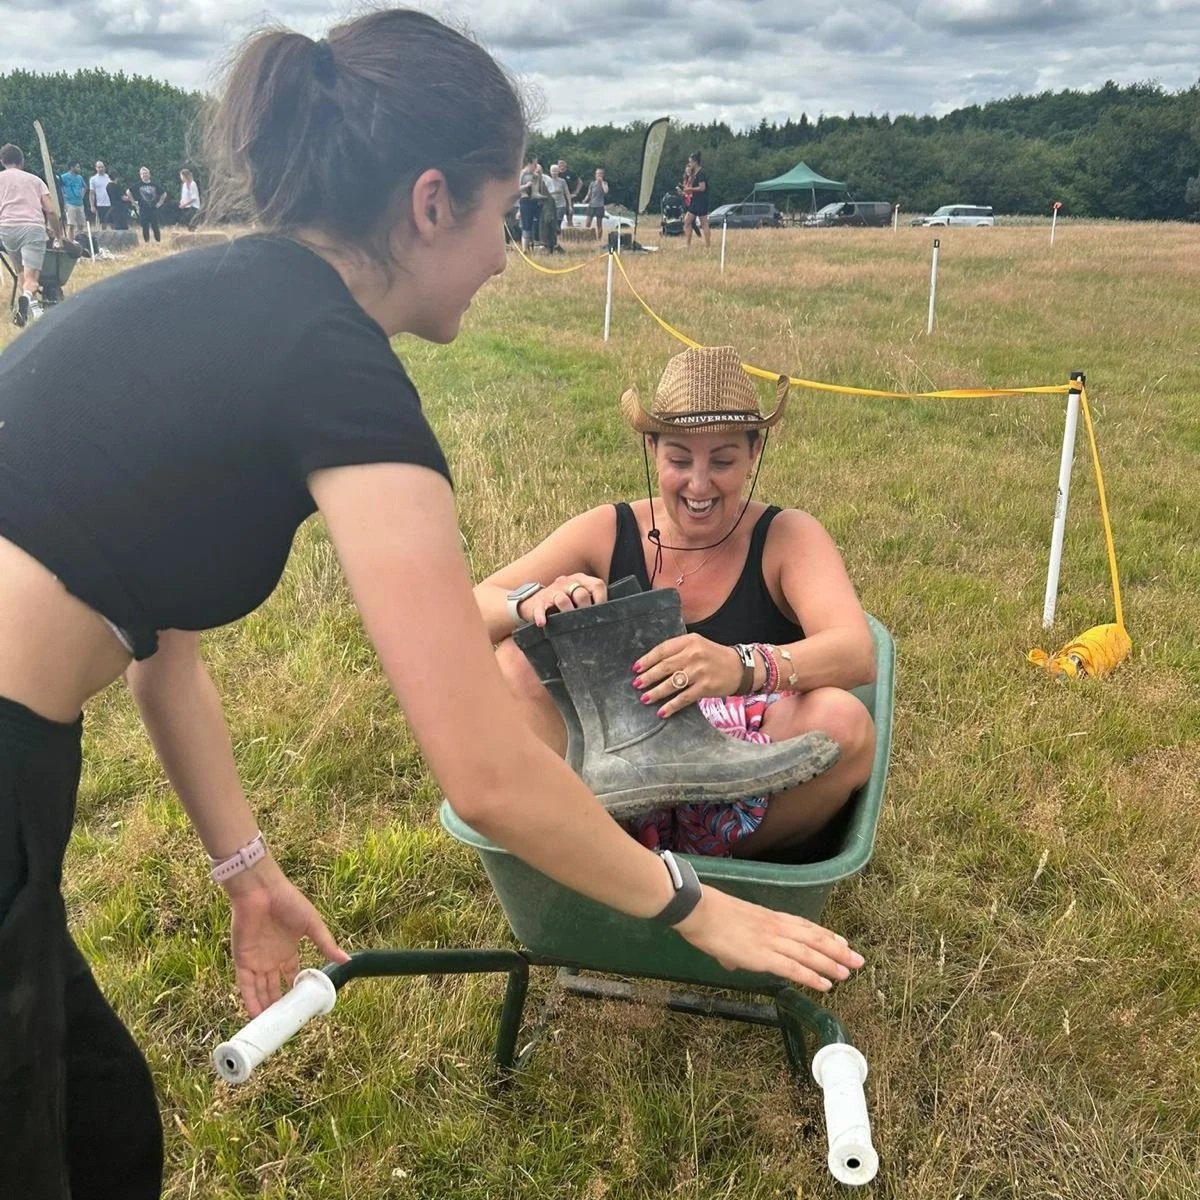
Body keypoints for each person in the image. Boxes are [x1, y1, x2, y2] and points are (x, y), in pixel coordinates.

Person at [0, 13, 862, 1198]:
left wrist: (244, 868)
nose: (506, 253)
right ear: (430, 203)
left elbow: (165, 653)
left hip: (24, 761)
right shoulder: (338, 366)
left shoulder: (214, 304)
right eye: (503, 211)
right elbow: (483, 774)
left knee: (96, 1126)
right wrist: (696, 912)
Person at [475, 345, 877, 859]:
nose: (699, 484)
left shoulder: (785, 536)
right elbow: (472, 607)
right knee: (516, 659)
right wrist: (535, 600)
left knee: (843, 723)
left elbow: (855, 653)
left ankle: (717, 869)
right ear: (652, 448)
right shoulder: (609, 529)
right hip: (620, 757)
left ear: (754, 452)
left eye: (723, 460)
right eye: (680, 459)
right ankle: (613, 855)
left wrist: (739, 666)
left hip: (751, 766)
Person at [0, 142, 63, 324]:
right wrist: (58, 236)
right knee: (32, 279)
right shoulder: (35, 181)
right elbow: (51, 211)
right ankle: (27, 298)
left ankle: (34, 311)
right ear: (22, 161)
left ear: (2, 161)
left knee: (20, 271)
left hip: (7, 229)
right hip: (32, 229)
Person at [681, 151, 710, 248]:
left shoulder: (701, 173)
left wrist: (690, 189)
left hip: (701, 201)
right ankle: (688, 244)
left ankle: (707, 245)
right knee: (687, 222)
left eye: (691, 162)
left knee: (704, 223)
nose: (689, 164)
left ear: (695, 162)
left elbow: (702, 187)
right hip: (695, 201)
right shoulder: (695, 174)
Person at [132, 166, 167, 242]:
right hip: (143, 209)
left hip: (153, 209)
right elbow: (128, 191)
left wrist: (160, 203)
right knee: (145, 227)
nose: (145, 175)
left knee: (155, 227)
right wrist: (133, 203)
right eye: (143, 173)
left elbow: (164, 193)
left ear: (149, 174)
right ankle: (147, 242)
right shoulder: (138, 185)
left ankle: (158, 241)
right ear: (140, 175)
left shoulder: (154, 184)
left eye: (146, 173)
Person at [59, 161, 88, 241]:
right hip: (70, 203)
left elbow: (85, 187)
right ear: (72, 167)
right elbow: (59, 186)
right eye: (77, 167)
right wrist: (63, 195)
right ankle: (70, 241)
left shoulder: (79, 177)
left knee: (81, 224)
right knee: (71, 224)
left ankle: (79, 239)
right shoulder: (64, 177)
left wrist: (82, 195)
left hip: (80, 203)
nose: (79, 168)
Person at [582, 166, 608, 241]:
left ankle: (599, 239)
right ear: (595, 175)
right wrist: (585, 200)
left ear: (603, 175)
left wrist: (602, 182)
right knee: (587, 223)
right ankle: (586, 238)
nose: (599, 175)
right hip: (591, 205)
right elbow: (589, 194)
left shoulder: (604, 183)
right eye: (597, 173)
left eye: (600, 173)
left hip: (599, 206)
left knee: (599, 224)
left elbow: (606, 191)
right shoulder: (592, 184)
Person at [556, 158, 581, 226]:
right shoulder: (556, 173)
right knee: (557, 218)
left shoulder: (571, 173)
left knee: (569, 217)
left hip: (569, 198)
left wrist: (576, 192)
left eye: (562, 163)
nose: (561, 164)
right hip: (558, 198)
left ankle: (570, 230)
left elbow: (580, 182)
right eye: (559, 163)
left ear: (566, 164)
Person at [89, 160, 112, 228]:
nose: (101, 169)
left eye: (102, 167)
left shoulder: (109, 177)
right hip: (100, 205)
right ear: (96, 168)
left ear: (104, 167)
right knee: (103, 225)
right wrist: (92, 206)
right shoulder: (93, 179)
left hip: (110, 204)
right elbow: (92, 193)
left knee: (112, 224)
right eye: (99, 167)